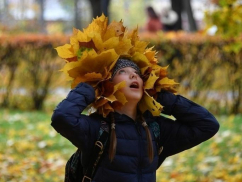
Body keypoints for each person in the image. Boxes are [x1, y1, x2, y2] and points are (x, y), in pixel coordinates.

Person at [51, 14, 219, 182]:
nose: (134, 77)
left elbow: (207, 125)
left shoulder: (155, 129)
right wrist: (90, 86)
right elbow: (62, 117)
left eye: (137, 74)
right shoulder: (97, 128)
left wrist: (160, 96)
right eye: (122, 72)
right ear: (106, 82)